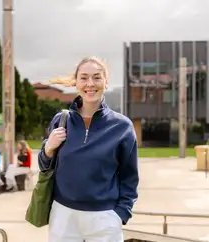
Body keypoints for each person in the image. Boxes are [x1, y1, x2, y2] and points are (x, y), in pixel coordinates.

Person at [39, 56, 139, 242]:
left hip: (104, 218)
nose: (90, 84)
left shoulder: (122, 127)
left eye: (97, 77)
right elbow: (44, 166)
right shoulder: (61, 121)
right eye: (84, 78)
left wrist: (120, 215)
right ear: (76, 82)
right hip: (63, 216)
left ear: (106, 82)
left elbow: (130, 177)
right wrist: (48, 148)